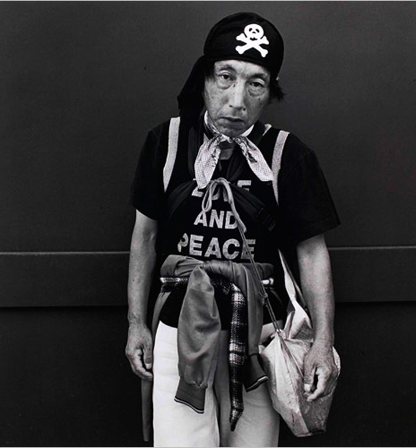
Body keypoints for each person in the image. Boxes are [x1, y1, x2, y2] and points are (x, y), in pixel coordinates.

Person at [126, 12, 340, 447]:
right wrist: (136, 324)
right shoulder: (166, 143)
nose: (237, 100)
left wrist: (323, 340)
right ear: (204, 78)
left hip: (260, 336)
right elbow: (144, 237)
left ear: (270, 92)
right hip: (178, 329)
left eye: (256, 84)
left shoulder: (287, 154)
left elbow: (312, 252)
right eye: (226, 77)